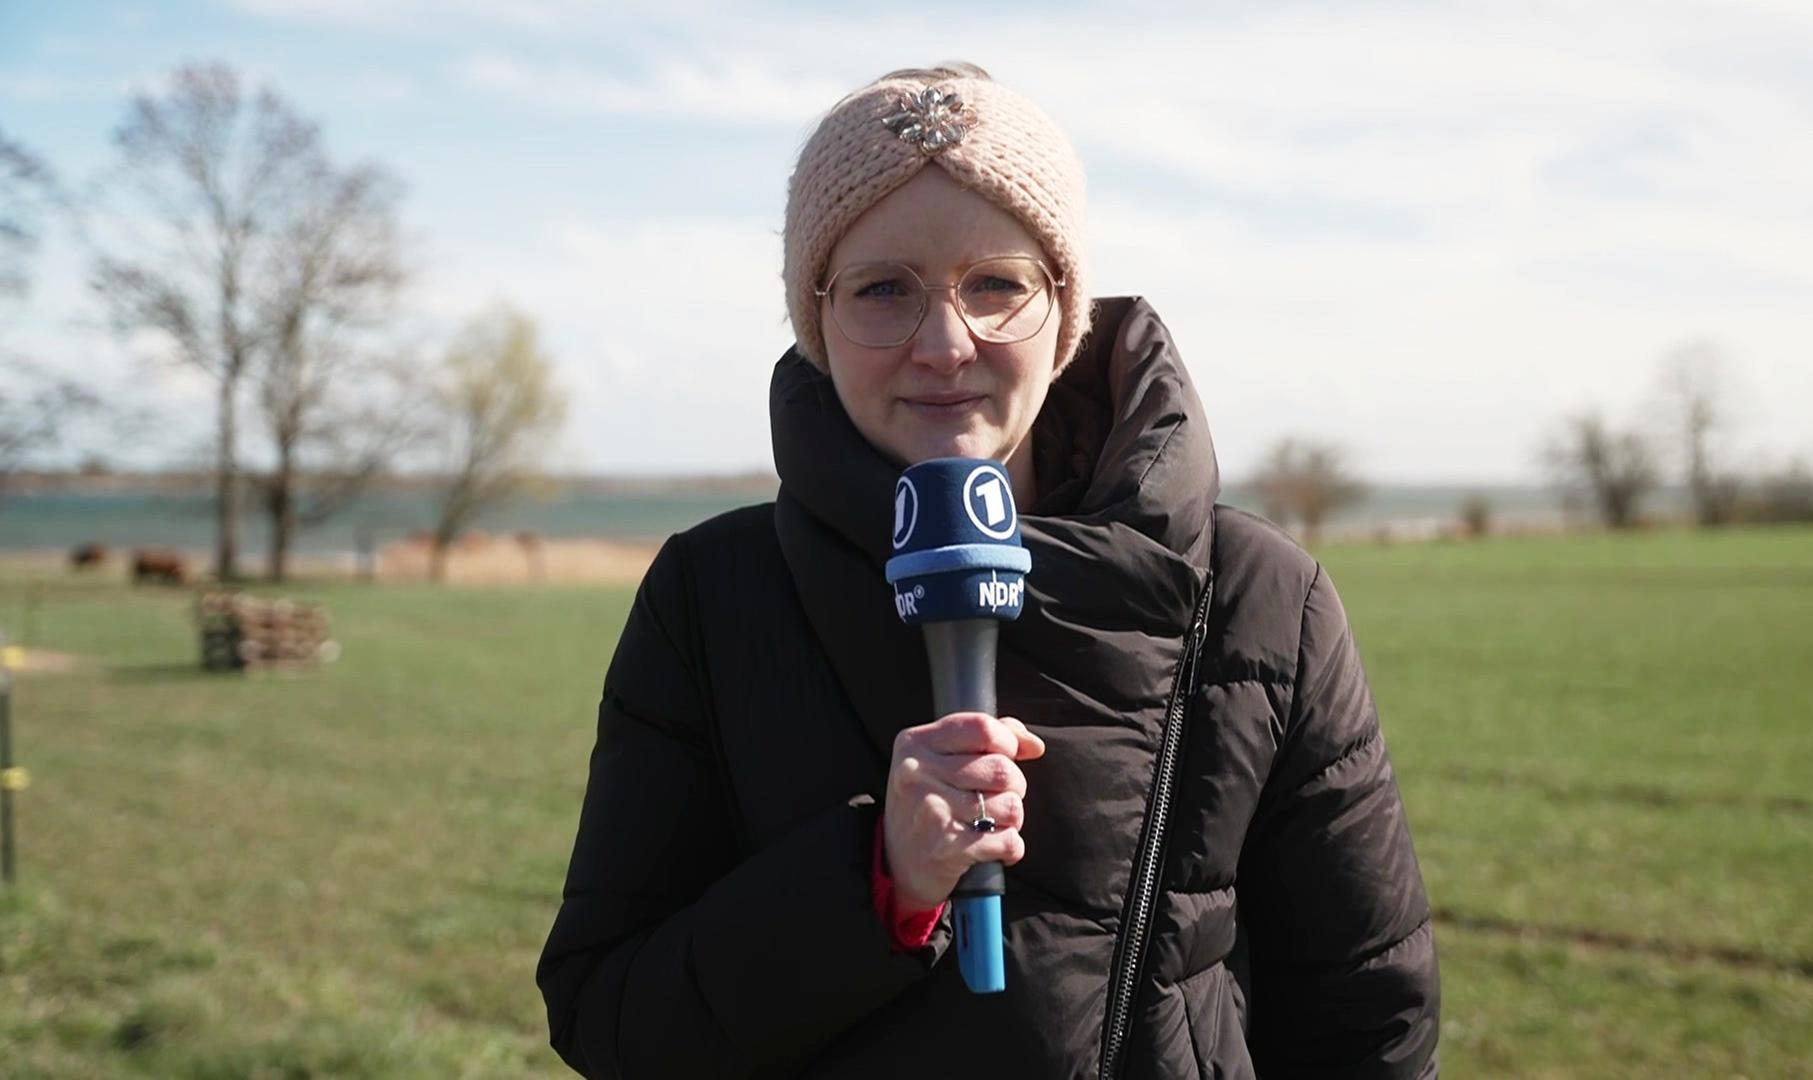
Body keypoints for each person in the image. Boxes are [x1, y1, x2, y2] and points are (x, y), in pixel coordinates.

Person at [537, 63, 1439, 1078]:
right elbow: (610, 1017)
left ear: (1066, 313)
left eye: (997, 285)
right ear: (817, 322)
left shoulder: (1263, 598)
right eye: (884, 289)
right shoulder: (709, 596)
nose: (943, 342)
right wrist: (876, 881)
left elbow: (1369, 1023)